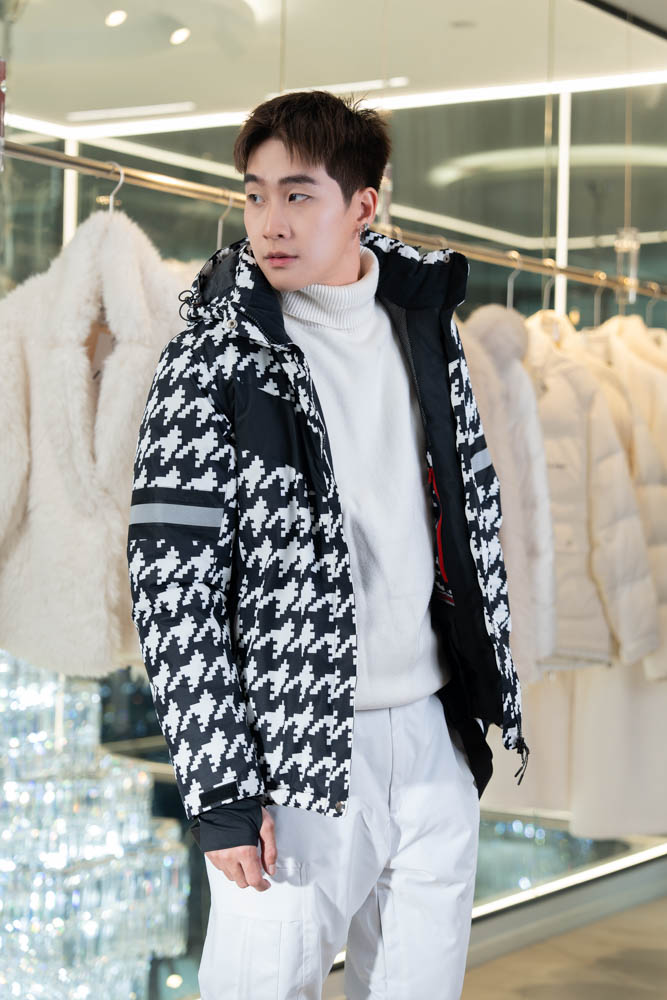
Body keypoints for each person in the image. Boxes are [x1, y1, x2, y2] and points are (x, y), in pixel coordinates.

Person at [127, 89, 529, 1000]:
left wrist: (471, 719)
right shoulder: (213, 357)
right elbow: (172, 588)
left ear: (362, 205)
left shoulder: (426, 333)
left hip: (430, 737)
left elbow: (472, 525)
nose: (270, 220)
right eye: (254, 194)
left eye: (298, 194)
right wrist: (222, 791)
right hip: (293, 755)